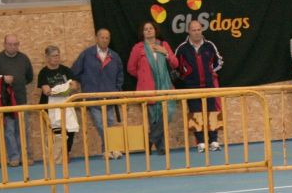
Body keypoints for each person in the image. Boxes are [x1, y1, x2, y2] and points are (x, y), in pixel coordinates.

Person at [70, 28, 124, 158]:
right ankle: (110, 149)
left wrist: (117, 90)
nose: (105, 40)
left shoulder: (115, 56)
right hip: (93, 97)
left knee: (111, 124)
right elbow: (74, 71)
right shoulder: (86, 54)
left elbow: (120, 75)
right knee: (100, 125)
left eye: (107, 38)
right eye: (102, 37)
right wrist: (80, 83)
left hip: (110, 98)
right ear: (96, 38)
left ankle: (109, 150)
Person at [127, 21, 178, 155]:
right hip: (147, 89)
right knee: (153, 119)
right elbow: (131, 68)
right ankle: (161, 148)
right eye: (146, 29)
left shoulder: (164, 45)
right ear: (142, 33)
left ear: (155, 31)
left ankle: (149, 141)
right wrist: (144, 76)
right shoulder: (138, 48)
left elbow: (175, 63)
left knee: (166, 115)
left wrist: (165, 53)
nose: (149, 31)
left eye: (151, 28)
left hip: (165, 87)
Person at [174, 19, 223, 153]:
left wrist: (211, 71)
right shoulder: (182, 48)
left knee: (212, 113)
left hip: (209, 85)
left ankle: (214, 141)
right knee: (195, 114)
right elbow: (175, 66)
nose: (196, 32)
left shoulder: (209, 46)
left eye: (198, 29)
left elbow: (219, 61)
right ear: (189, 31)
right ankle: (200, 143)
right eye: (193, 30)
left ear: (202, 30)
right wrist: (185, 76)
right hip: (191, 87)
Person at [0, 33, 33, 167]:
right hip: (5, 103)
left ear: (18, 45)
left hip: (21, 100)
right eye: (10, 44)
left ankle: (25, 157)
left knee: (23, 130)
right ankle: (14, 157)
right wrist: (2, 78)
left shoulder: (24, 58)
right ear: (4, 45)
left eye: (16, 44)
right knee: (9, 131)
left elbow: (29, 77)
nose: (13, 47)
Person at [38, 45, 80, 163]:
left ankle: (66, 153)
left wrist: (65, 90)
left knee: (70, 130)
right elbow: (47, 91)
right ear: (47, 57)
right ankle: (56, 155)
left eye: (58, 55)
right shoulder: (43, 73)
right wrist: (63, 90)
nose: (57, 58)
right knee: (56, 131)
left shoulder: (66, 70)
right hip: (49, 107)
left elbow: (75, 86)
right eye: (54, 56)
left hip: (66, 106)